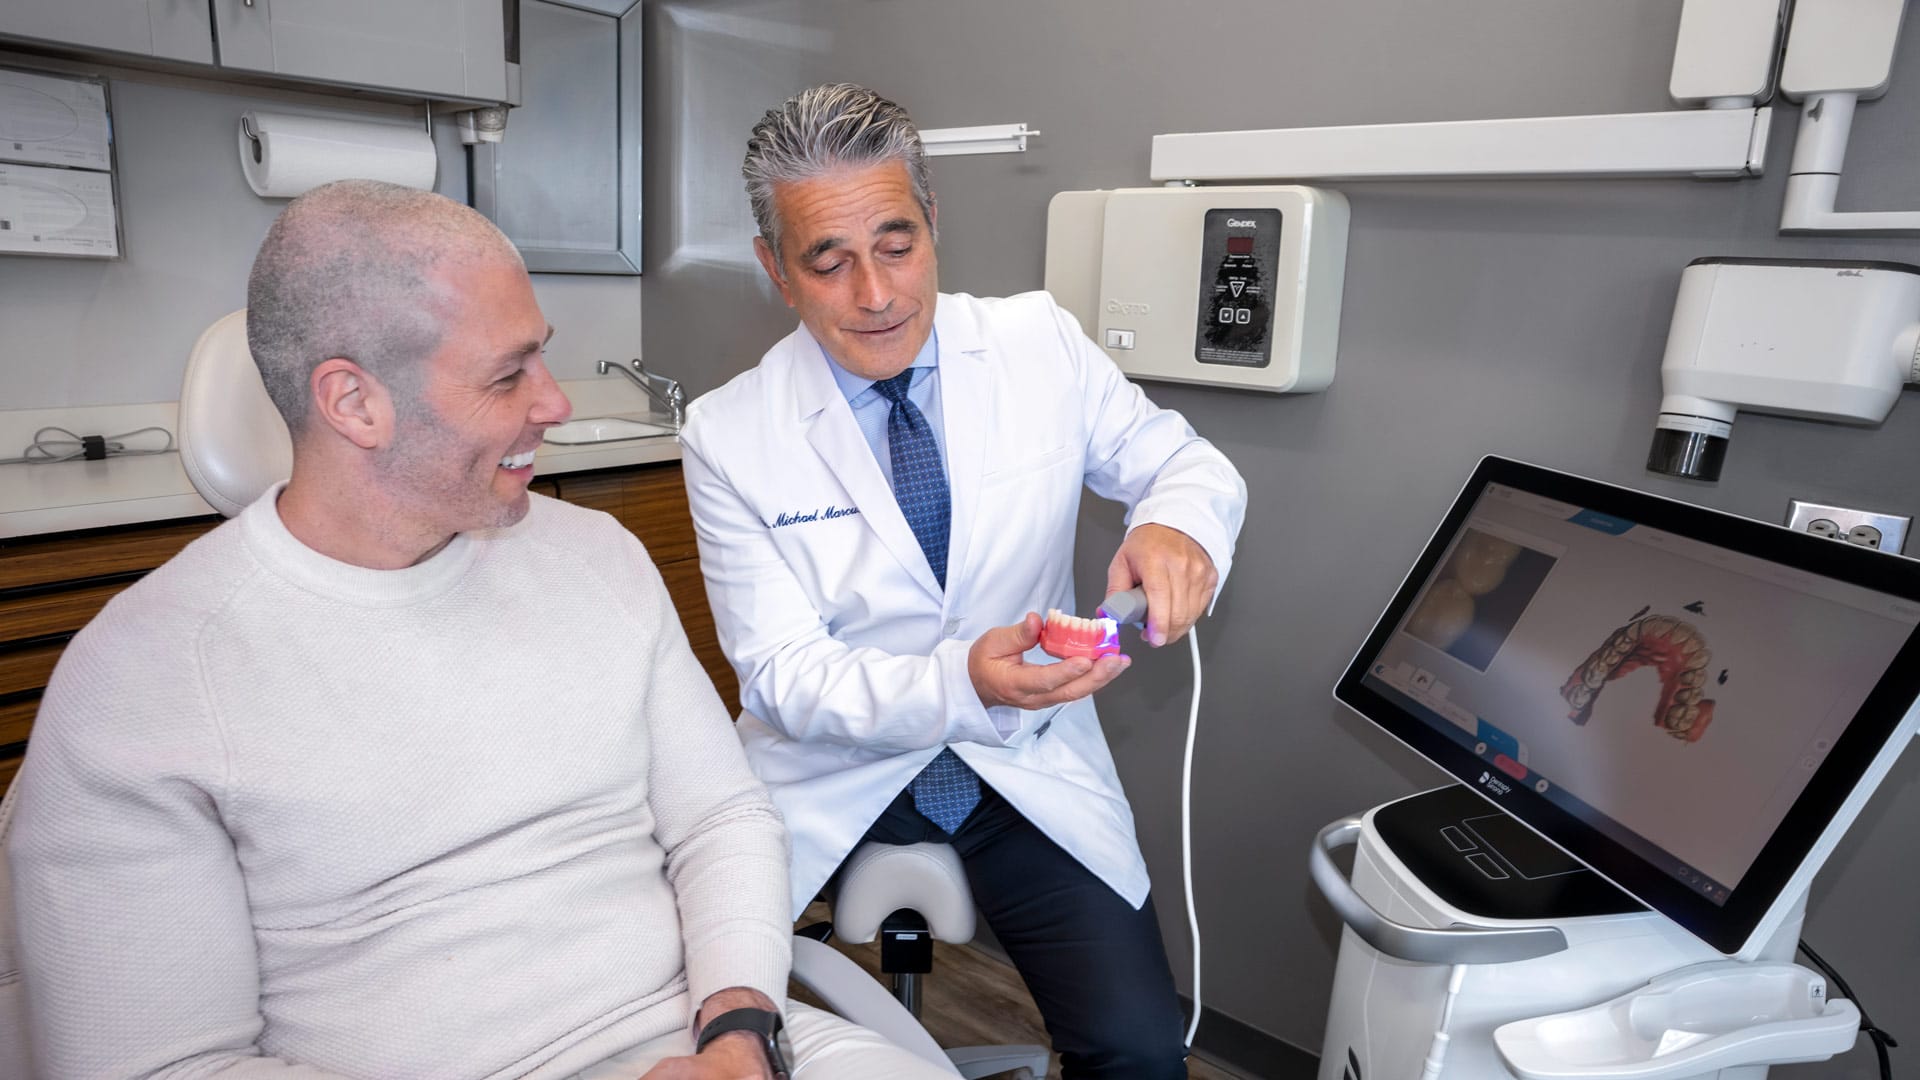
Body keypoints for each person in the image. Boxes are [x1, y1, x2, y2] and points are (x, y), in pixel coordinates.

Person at [7, 180, 950, 1080]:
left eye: (541, 355)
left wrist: (740, 1025)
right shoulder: (145, 684)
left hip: (713, 1039)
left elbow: (721, 817)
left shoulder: (597, 559)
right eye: (508, 376)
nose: (555, 402)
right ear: (353, 403)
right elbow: (158, 1064)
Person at [680, 85, 1248, 1078]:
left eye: (897, 245)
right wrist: (963, 679)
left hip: (1023, 763)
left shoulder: (1039, 345)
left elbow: (1184, 463)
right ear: (777, 269)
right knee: (705, 1026)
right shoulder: (729, 435)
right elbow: (783, 677)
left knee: (1140, 1050)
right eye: (828, 260)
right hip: (835, 776)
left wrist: (1172, 525)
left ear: (935, 222)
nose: (876, 294)